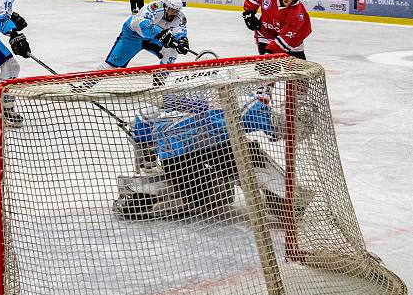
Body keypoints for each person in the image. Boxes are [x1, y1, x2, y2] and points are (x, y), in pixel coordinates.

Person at [112, 92, 313, 220]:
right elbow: (276, 127)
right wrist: (297, 121)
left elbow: (143, 144)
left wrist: (147, 160)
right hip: (210, 152)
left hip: (184, 158)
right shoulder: (235, 98)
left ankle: (140, 192)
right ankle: (287, 197)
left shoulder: (153, 109)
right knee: (213, 196)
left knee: (209, 196)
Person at [98, 0, 189, 71]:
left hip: (152, 39)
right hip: (133, 36)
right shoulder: (153, 7)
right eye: (172, 10)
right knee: (111, 65)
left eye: (177, 10)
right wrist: (161, 34)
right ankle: (85, 84)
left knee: (172, 51)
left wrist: (182, 40)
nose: (175, 13)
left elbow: (180, 31)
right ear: (165, 7)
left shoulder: (179, 16)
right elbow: (144, 26)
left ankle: (159, 81)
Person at [242, 0, 311, 60]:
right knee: (267, 71)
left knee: (297, 70)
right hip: (266, 34)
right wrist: (249, 13)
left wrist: (269, 53)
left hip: (292, 40)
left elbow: (284, 41)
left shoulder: (297, 15)